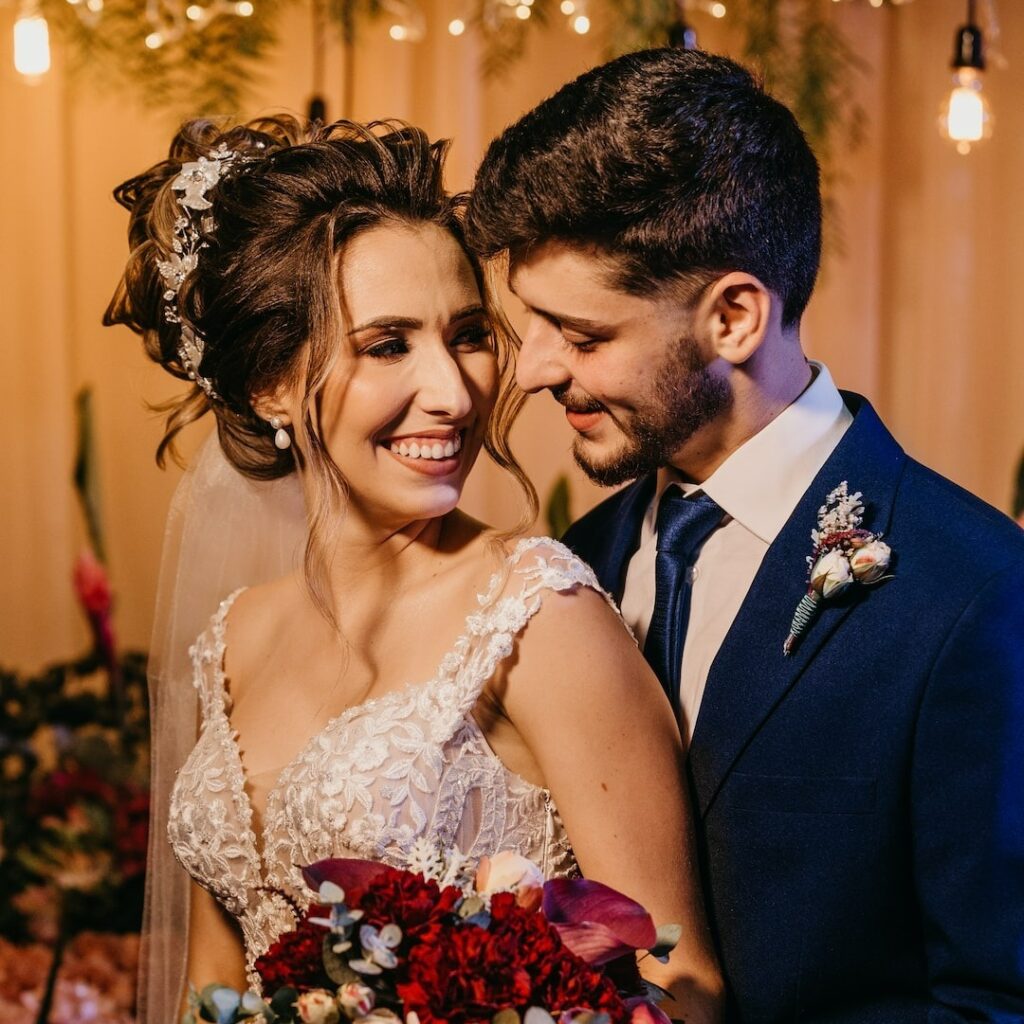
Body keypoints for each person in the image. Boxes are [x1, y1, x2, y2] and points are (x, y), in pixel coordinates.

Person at [104, 117, 722, 1022]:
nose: (455, 391)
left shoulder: (539, 614)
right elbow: (213, 988)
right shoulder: (229, 639)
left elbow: (683, 980)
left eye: (468, 334)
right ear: (272, 379)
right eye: (389, 344)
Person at [466, 47, 1024, 1023]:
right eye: (532, 326)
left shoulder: (971, 592)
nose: (534, 370)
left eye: (583, 335)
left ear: (733, 316)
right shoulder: (567, 567)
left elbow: (991, 1000)